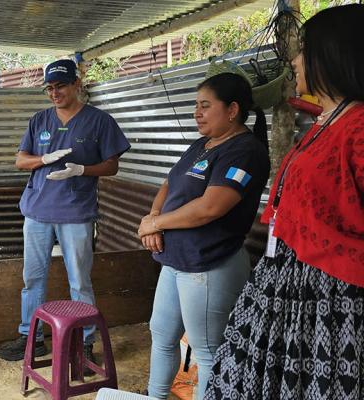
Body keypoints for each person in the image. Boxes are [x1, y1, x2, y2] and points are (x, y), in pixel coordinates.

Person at [205, 5, 364, 399]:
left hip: (330, 297)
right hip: (288, 285)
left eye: (304, 49)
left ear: (336, 52)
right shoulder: (329, 119)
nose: (294, 60)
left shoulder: (359, 127)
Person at [135, 72, 270, 399]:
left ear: (233, 109)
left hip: (208, 264)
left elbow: (210, 207)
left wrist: (156, 224)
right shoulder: (201, 144)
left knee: (208, 351)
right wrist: (155, 217)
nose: (197, 112)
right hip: (175, 260)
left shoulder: (245, 150)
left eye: (205, 106)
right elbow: (170, 184)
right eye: (196, 105)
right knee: (162, 337)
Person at [0, 59, 131, 363]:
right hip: (37, 211)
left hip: (76, 212)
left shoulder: (99, 121)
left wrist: (82, 169)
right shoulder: (39, 120)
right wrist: (43, 160)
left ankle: (84, 342)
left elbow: (112, 164)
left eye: (61, 86)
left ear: (76, 85)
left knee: (79, 280)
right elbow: (21, 160)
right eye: (50, 88)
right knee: (32, 277)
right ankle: (30, 337)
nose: (55, 93)